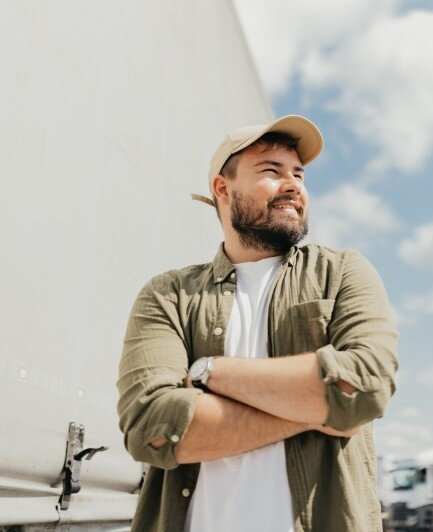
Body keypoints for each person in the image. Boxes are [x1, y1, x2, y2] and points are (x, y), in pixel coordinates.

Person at [116, 115, 399, 532]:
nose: (293, 185)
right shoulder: (169, 294)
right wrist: (325, 409)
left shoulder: (342, 272)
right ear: (223, 188)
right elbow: (150, 428)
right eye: (272, 170)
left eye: (299, 174)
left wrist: (210, 372)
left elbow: (367, 386)